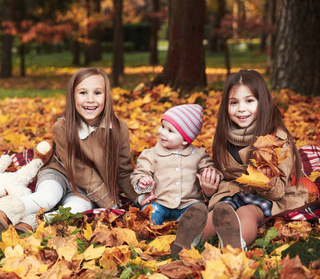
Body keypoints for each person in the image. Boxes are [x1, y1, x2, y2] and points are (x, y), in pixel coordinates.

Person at [0, 67, 139, 236]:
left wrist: (140, 198)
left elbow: (123, 169)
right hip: (60, 174)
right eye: (82, 93)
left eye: (97, 93)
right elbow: (80, 170)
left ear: (107, 96)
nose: (90, 100)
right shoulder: (63, 127)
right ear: (72, 97)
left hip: (87, 190)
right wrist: (109, 203)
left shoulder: (118, 128)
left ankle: (29, 225)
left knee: (76, 209)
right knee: (48, 197)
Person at [192, 69, 308, 252]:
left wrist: (266, 181)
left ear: (262, 102)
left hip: (268, 195)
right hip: (236, 191)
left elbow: (280, 188)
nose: (241, 109)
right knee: (220, 210)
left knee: (245, 212)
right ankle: (192, 239)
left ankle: (236, 244)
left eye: (249, 101)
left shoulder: (277, 137)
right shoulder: (224, 137)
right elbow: (226, 176)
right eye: (234, 103)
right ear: (226, 106)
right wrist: (209, 190)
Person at [130, 104, 221, 256]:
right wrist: (142, 181)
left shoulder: (198, 155)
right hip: (160, 201)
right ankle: (147, 238)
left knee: (197, 214)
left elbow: (210, 169)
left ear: (185, 140)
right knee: (150, 215)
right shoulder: (152, 154)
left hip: (189, 203)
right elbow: (140, 172)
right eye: (162, 126)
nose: (162, 132)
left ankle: (188, 238)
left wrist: (210, 176)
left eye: (170, 130)